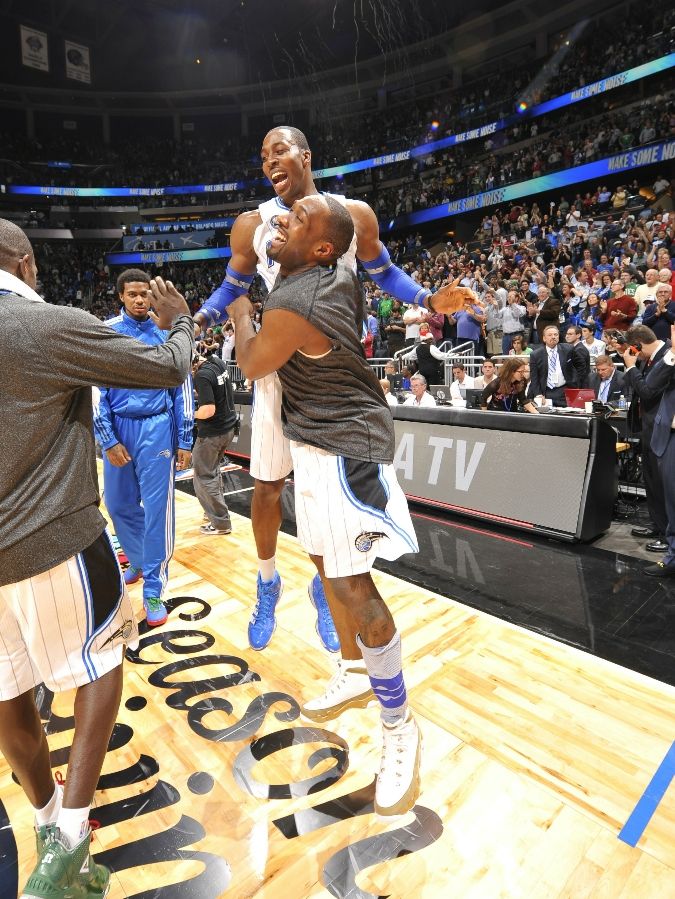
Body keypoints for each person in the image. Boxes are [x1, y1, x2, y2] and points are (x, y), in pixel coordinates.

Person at [193, 126, 470, 672]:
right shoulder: (253, 224)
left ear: (306, 156)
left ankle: (330, 589)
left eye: (281, 150)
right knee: (268, 487)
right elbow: (231, 285)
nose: (270, 159)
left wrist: (428, 300)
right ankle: (268, 581)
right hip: (277, 367)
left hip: (333, 370)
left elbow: (384, 270)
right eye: (263, 152)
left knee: (324, 501)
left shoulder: (351, 214)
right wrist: (195, 318)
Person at [0, 219, 193, 898]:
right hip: (52, 541)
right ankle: (74, 836)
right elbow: (167, 367)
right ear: (24, 262)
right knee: (104, 661)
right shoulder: (45, 323)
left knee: (10, 699)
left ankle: (50, 831)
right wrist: (180, 322)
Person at [227, 194, 421, 817]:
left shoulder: (292, 302)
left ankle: (400, 727)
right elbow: (373, 256)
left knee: (353, 587)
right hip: (314, 439)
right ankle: (356, 672)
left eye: (300, 221)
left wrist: (235, 307)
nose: (283, 220)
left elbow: (251, 361)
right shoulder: (333, 265)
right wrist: (422, 297)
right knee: (324, 563)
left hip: (345, 446)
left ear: (318, 250)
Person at [93, 269, 194, 627]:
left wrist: (185, 437)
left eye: (144, 295)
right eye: (132, 294)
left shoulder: (165, 332)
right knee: (118, 505)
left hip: (157, 427)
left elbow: (182, 386)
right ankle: (137, 558)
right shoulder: (105, 332)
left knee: (157, 512)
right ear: (120, 295)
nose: (139, 300)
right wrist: (107, 437)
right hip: (120, 426)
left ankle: (154, 587)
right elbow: (95, 388)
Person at [621, 325, 671, 554]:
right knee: (651, 480)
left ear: (638, 344)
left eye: (635, 350)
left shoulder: (667, 355)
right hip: (648, 426)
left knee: (663, 484)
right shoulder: (650, 358)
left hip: (663, 429)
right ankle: (657, 525)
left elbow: (648, 391)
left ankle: (667, 533)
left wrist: (631, 368)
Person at [192, 352, 239, 535]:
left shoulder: (202, 375)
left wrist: (189, 413)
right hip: (227, 429)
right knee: (213, 472)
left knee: (204, 476)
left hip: (212, 434)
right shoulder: (218, 362)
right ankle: (211, 511)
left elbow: (208, 410)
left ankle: (220, 523)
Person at [645, 323, 675, 577]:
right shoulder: (670, 360)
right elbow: (651, 383)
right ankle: (673, 556)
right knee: (672, 500)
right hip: (670, 438)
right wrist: (673, 354)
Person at [529, 324, 587, 407]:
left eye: (555, 334)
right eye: (550, 335)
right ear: (544, 338)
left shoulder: (568, 349)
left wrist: (576, 381)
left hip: (564, 390)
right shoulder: (535, 354)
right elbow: (534, 377)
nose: (553, 337)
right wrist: (538, 394)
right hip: (545, 392)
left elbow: (581, 366)